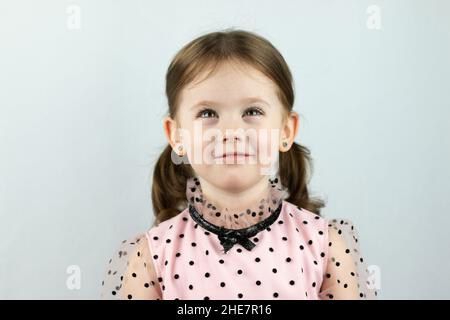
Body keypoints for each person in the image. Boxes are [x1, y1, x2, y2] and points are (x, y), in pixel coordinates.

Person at [100, 28, 378, 300]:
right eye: (208, 113)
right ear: (177, 136)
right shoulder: (152, 256)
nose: (231, 130)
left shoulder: (325, 246)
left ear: (286, 131)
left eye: (252, 111)